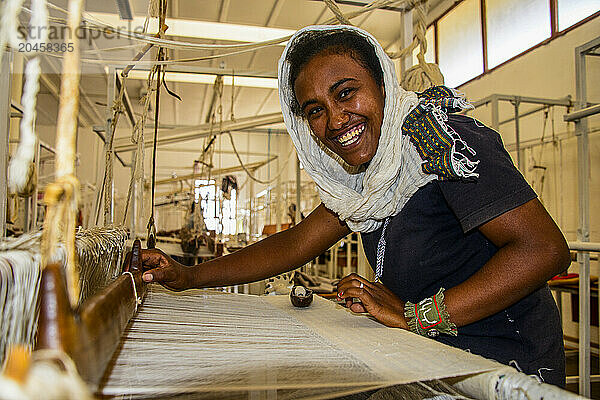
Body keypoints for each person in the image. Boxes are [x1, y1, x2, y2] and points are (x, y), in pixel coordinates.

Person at [140, 25, 570, 387]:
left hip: (505, 368)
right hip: (434, 356)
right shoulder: (362, 180)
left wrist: (413, 315)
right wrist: (188, 276)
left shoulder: (443, 142)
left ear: (382, 83)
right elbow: (294, 245)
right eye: (315, 111)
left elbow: (543, 250)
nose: (335, 120)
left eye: (346, 93)